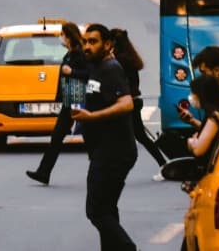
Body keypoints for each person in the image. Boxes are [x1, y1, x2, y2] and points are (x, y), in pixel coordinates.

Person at [70, 24, 137, 250]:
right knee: (107, 208)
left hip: (115, 151)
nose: (87, 46)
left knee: (96, 210)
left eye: (93, 41)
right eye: (85, 41)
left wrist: (93, 117)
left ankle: (127, 248)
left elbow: (127, 103)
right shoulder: (94, 67)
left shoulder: (111, 68)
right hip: (103, 150)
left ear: (107, 45)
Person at [26, 22, 88, 185]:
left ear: (68, 36)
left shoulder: (79, 54)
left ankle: (101, 169)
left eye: (63, 34)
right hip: (69, 99)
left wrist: (72, 72)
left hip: (76, 99)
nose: (61, 37)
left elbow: (88, 74)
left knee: (89, 136)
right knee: (57, 137)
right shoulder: (70, 53)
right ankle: (43, 172)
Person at [110, 28, 167, 171]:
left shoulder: (119, 60)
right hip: (134, 100)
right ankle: (162, 163)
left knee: (132, 136)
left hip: (128, 102)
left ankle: (162, 163)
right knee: (138, 136)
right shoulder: (128, 56)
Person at [185, 75, 219, 158]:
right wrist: (192, 120)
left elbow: (198, 151)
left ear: (201, 95)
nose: (191, 96)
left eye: (193, 93)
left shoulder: (214, 116)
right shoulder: (215, 112)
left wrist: (191, 142)